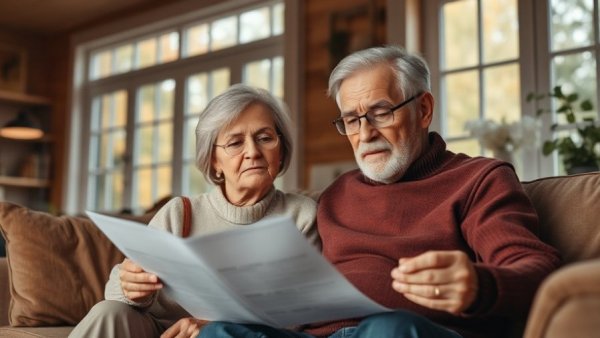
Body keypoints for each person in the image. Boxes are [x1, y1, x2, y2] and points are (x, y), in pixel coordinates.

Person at [199, 46, 562, 338]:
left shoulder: (480, 179)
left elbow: (539, 271)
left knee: (388, 328)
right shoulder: (335, 196)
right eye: (352, 120)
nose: (366, 133)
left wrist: (480, 285)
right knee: (220, 333)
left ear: (423, 109)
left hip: (409, 331)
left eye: (380, 112)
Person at [69, 84, 320, 338]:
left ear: (281, 149)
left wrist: (213, 327)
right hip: (162, 333)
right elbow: (116, 293)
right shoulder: (181, 213)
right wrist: (131, 286)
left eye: (265, 138)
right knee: (109, 312)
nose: (253, 152)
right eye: (235, 143)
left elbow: (300, 315)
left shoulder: (302, 215)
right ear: (214, 161)